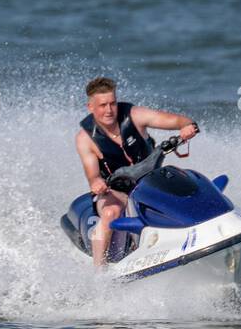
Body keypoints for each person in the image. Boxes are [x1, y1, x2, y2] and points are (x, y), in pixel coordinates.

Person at [75, 76, 199, 267]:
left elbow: (172, 120)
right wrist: (96, 182)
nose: (109, 110)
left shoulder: (135, 115)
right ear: (90, 107)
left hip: (151, 180)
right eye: (102, 105)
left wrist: (186, 125)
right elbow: (92, 175)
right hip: (115, 190)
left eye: (112, 103)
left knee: (184, 181)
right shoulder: (85, 138)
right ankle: (99, 272)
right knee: (110, 213)